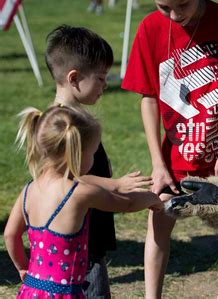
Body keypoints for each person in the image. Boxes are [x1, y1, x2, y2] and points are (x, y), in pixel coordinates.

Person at [121, 0, 218, 296]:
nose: (174, 15)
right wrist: (158, 164)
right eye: (163, 7)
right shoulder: (150, 29)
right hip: (174, 162)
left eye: (183, 5)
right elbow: (149, 98)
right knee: (158, 229)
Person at [3, 105, 163, 298]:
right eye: (93, 152)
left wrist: (22, 267)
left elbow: (11, 235)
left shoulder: (28, 190)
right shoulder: (80, 193)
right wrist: (153, 199)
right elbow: (126, 203)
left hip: (31, 289)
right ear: (76, 153)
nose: (94, 158)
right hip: (64, 293)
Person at [45, 24, 154, 298]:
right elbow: (68, 180)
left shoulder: (64, 119)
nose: (105, 85)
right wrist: (115, 184)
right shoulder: (65, 126)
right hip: (81, 240)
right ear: (74, 77)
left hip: (86, 234)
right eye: (101, 78)